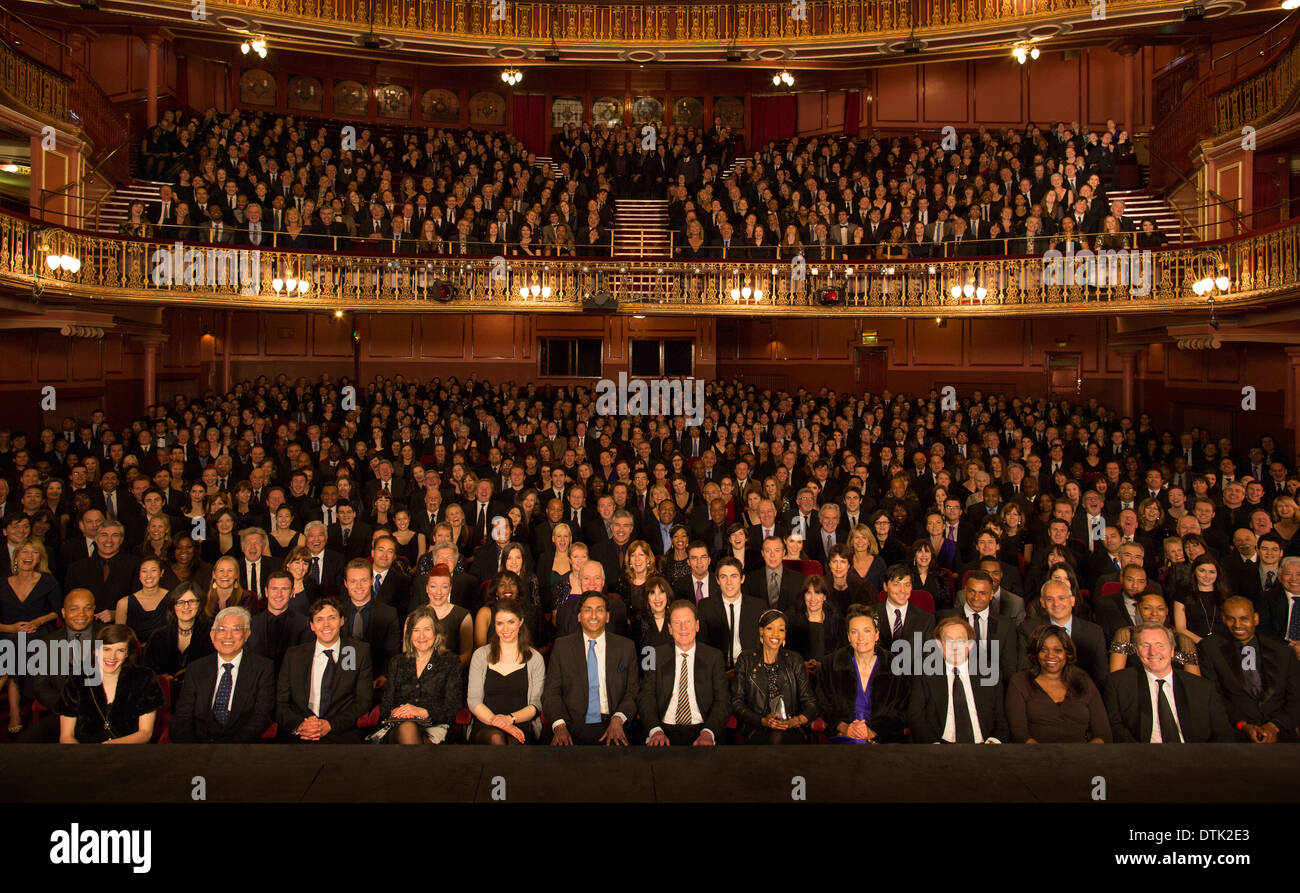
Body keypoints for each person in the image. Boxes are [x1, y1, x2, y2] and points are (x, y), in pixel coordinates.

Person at [1103, 621, 1233, 742]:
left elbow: (1223, 733)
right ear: (1137, 651)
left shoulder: (1202, 688)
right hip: (1141, 757)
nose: (1153, 652)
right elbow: (1115, 727)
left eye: (1160, 645)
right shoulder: (1118, 683)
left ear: (1172, 650)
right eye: (1145, 645)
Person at [542, 590, 639, 745]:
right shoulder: (562, 647)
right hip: (571, 725)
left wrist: (618, 719)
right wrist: (560, 725)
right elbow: (551, 693)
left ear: (607, 617)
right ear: (579, 616)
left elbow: (632, 692)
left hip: (613, 723)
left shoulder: (626, 647)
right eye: (588, 610)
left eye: (599, 610)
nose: (594, 616)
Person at [1199, 596, 1300, 743]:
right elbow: (1214, 697)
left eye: (1244, 618)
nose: (1237, 625)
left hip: (1281, 732)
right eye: (1231, 619)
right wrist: (1243, 725)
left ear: (1256, 619)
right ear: (1223, 619)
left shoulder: (1283, 652)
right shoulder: (1210, 648)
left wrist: (1274, 726)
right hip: (1233, 732)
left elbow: (1296, 699)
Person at [168, 606, 276, 743]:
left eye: (236, 630)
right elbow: (182, 716)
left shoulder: (263, 668)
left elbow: (262, 717)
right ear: (212, 635)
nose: (228, 636)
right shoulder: (196, 669)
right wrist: (193, 751)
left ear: (247, 634)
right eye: (222, 629)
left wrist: (229, 749)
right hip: (199, 748)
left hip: (242, 748)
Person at [276, 597, 374, 742]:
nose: (326, 625)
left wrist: (330, 725)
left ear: (342, 621)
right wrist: (301, 725)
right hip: (300, 732)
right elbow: (281, 703)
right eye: (319, 620)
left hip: (340, 732)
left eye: (332, 618)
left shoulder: (354, 652)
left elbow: (363, 701)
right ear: (311, 625)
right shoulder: (294, 655)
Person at [907, 616, 1010, 743]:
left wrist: (994, 741)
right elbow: (916, 716)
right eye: (948, 641)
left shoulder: (989, 672)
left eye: (960, 641)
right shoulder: (924, 673)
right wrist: (933, 745)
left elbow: (1001, 718)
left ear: (970, 644)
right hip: (940, 746)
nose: (954, 647)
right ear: (939, 644)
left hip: (984, 745)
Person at [640, 600, 729, 746]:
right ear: (669, 628)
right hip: (663, 729)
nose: (683, 628)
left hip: (702, 729)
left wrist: (708, 732)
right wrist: (655, 730)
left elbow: (723, 700)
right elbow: (646, 696)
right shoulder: (653, 655)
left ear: (697, 625)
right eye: (677, 623)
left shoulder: (714, 657)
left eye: (688, 622)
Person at [818, 604, 911, 743]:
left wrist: (872, 731)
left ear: (876, 634)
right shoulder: (830, 664)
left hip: (883, 739)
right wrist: (844, 728)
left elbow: (902, 711)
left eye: (867, 631)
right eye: (854, 632)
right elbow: (823, 705)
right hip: (844, 737)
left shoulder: (897, 666)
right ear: (849, 636)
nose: (861, 638)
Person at [57, 625, 164, 744]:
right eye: (107, 649)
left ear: (127, 654)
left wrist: (110, 747)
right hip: (85, 753)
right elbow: (66, 736)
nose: (112, 657)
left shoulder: (144, 679)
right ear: (96, 650)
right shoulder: (76, 680)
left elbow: (145, 733)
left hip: (128, 752)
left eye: (120, 650)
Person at [372, 605, 463, 744]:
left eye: (427, 629)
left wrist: (422, 711)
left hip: (436, 726)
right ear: (409, 635)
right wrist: (399, 712)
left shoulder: (450, 661)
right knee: (408, 727)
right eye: (416, 630)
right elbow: (385, 707)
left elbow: (453, 706)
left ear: (436, 632)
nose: (421, 636)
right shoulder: (397, 662)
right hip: (398, 726)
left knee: (419, 742)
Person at [18, 589, 100, 742]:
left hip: (100, 713)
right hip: (62, 712)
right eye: (74, 609)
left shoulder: (108, 636)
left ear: (94, 610)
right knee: (25, 742)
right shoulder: (48, 643)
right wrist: (68, 706)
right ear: (63, 612)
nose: (81, 614)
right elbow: (40, 687)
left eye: (87, 608)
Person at [1005, 624, 1111, 743]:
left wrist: (1085, 756)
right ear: (1035, 653)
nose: (1050, 655)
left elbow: (1103, 733)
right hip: (1036, 756)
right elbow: (1020, 734)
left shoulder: (1082, 679)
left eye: (1058, 650)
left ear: (1067, 652)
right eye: (1043, 650)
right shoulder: (1020, 681)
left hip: (1082, 757)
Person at [730, 608, 819, 744]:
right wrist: (763, 721)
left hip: (790, 727)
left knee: (780, 736)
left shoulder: (794, 660)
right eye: (770, 628)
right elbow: (737, 703)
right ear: (761, 631)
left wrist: (795, 721)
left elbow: (811, 703)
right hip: (756, 727)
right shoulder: (746, 660)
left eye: (781, 630)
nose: (776, 634)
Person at [0, 538, 61, 732]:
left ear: (39, 559)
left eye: (34, 553)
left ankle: (14, 711)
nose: (29, 556)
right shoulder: (2, 583)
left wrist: (37, 621)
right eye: (24, 552)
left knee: (17, 645)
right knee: (14, 644)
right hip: (6, 633)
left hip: (37, 633)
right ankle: (15, 712)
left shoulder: (47, 581)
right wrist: (11, 628)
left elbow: (58, 611)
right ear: (16, 557)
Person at [467, 598, 545, 744]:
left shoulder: (535, 658)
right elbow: (474, 701)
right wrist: (501, 724)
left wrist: (510, 720)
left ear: (520, 621)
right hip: (486, 723)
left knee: (514, 741)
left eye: (511, 622)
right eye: (500, 623)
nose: (505, 629)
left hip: (520, 722)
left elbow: (536, 704)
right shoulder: (481, 655)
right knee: (497, 738)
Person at [1018, 579, 1109, 688]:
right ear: (1043, 603)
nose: (1056, 604)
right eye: (1050, 599)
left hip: (1082, 693)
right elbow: (1024, 672)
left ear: (1072, 601)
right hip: (1041, 693)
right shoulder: (1028, 629)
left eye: (1061, 598)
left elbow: (1101, 676)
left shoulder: (1094, 632)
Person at [1108, 591, 1201, 675]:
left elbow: (1194, 683)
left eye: (1160, 609)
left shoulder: (1183, 640)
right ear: (1138, 609)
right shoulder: (1126, 634)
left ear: (1167, 611)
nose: (1154, 613)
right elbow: (1116, 677)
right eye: (1147, 608)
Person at [143, 582, 214, 689]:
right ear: (173, 606)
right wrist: (163, 681)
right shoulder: (158, 636)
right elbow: (146, 674)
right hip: (165, 695)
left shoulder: (213, 633)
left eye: (192, 601)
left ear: (200, 604)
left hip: (202, 694)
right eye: (180, 602)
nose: (186, 606)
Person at [698, 557, 763, 673]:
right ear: (717, 580)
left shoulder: (758, 606)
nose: (729, 582)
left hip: (751, 670)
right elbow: (702, 645)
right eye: (723, 577)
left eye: (734, 576)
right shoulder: (705, 606)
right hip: (717, 670)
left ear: (742, 579)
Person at [246, 570, 312, 673]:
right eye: (274, 589)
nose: (279, 594)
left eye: (284, 589)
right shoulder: (251, 624)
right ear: (266, 592)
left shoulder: (304, 625)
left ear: (292, 592)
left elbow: (304, 665)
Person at [786, 575, 845, 673]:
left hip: (829, 675)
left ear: (825, 597)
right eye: (809, 593)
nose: (813, 598)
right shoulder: (792, 619)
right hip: (798, 675)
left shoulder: (836, 620)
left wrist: (823, 667)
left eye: (817, 593)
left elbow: (841, 655)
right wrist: (803, 666)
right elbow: (786, 653)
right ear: (804, 595)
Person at [423, 564, 473, 667]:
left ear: (450, 588)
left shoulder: (463, 616)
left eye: (444, 587)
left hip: (451, 675)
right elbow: (408, 655)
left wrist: (444, 669)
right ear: (427, 588)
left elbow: (466, 655)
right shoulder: (414, 617)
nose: (438, 592)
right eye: (433, 586)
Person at [114, 556, 169, 643]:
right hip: (135, 654)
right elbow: (119, 638)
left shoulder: (172, 598)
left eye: (153, 570)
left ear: (161, 573)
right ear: (139, 574)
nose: (148, 575)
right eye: (144, 571)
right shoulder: (124, 603)